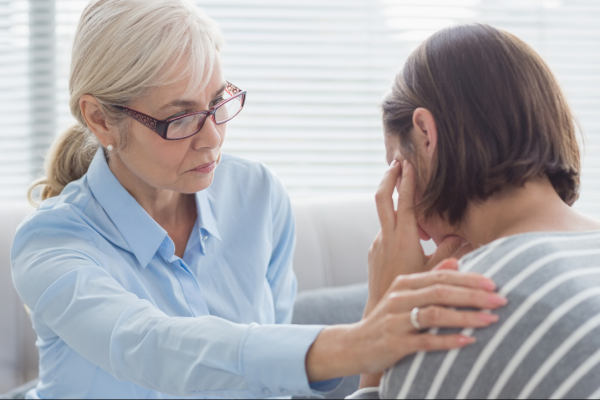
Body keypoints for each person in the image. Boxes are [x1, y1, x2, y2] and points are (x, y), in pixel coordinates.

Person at [10, 1, 506, 398]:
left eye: (217, 103)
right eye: (181, 118)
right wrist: (361, 341)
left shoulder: (256, 195)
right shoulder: (50, 243)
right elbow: (150, 345)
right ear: (100, 120)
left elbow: (267, 379)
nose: (212, 139)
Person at [351, 23, 600, 399]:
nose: (418, 231)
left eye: (398, 170)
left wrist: (382, 312)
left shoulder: (462, 306)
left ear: (425, 134)